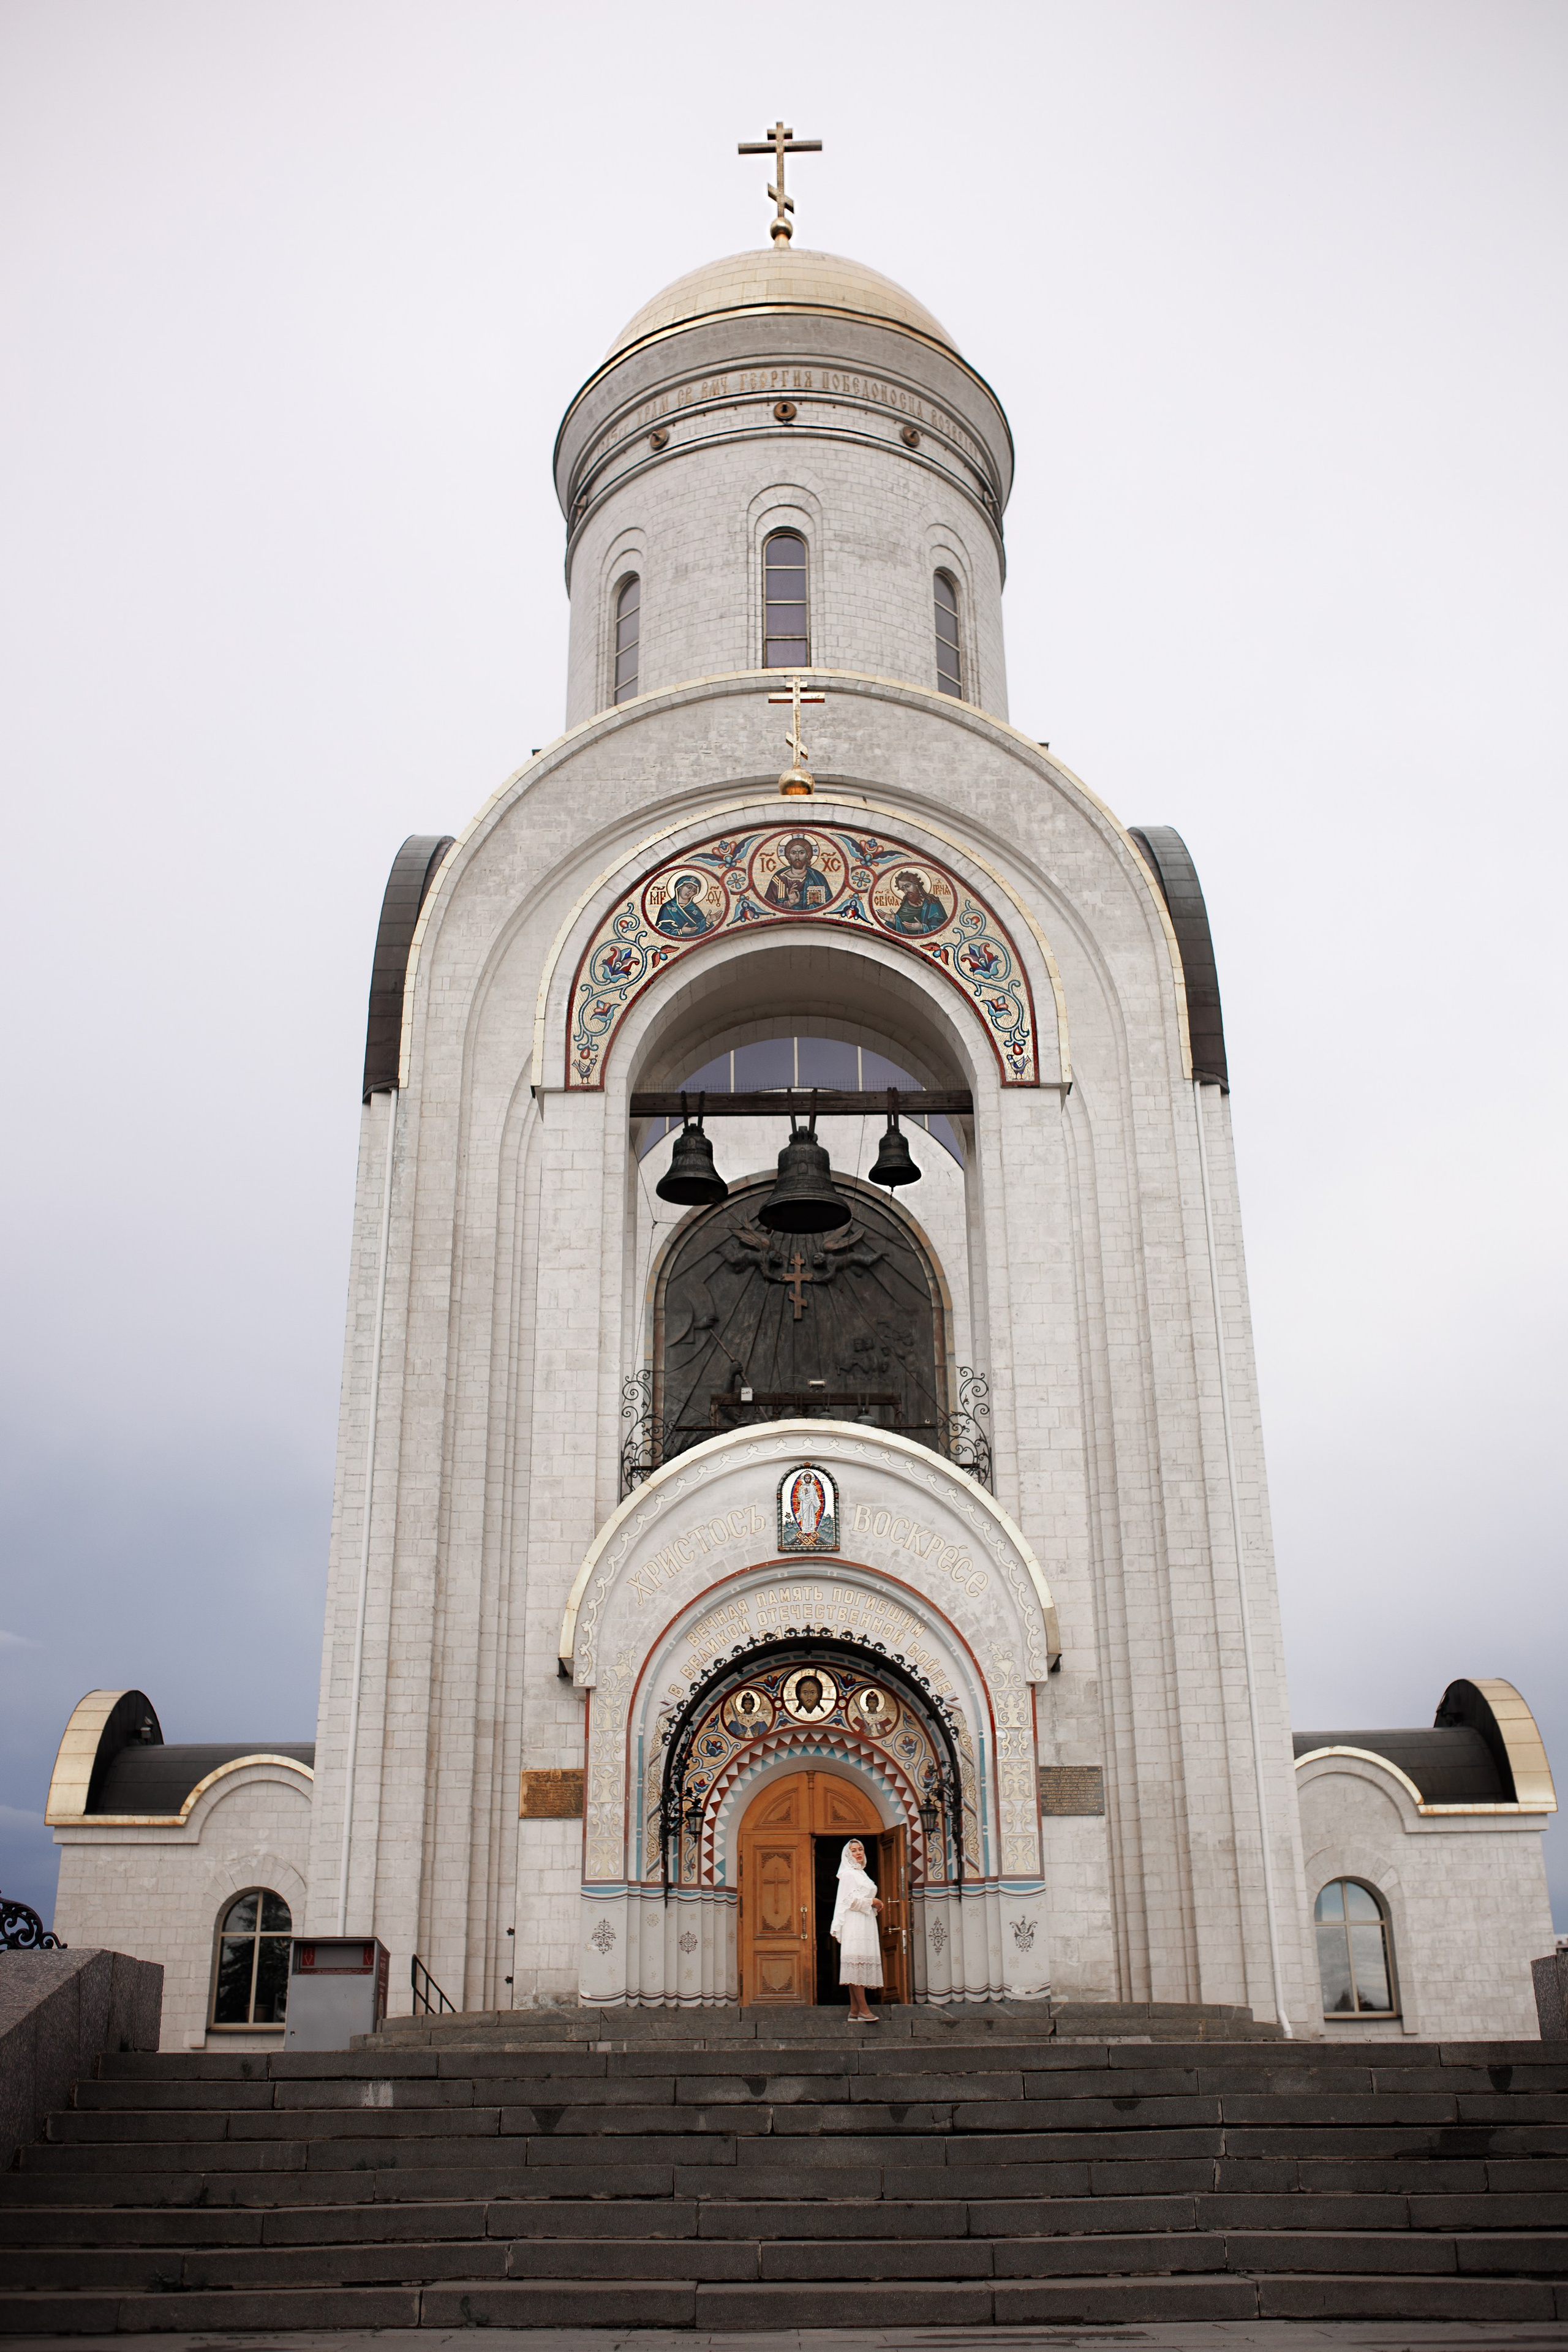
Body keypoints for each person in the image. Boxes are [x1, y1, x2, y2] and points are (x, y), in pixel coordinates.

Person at [830, 1838, 884, 2022]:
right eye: (853, 1850)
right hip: (855, 1924)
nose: (858, 1853)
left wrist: (873, 1906)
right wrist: (873, 1902)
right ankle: (864, 2009)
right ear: (848, 1855)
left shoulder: (862, 1874)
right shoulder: (848, 1875)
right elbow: (849, 1901)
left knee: (858, 1964)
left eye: (860, 1849)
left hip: (865, 1922)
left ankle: (854, 2010)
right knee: (857, 1964)